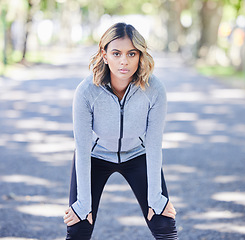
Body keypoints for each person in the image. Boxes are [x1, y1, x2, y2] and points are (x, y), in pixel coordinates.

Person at [63, 22, 178, 240]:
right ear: (104, 55)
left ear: (140, 56)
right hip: (96, 157)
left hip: (137, 155)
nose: (124, 61)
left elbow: (154, 144)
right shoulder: (86, 92)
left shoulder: (154, 90)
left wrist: (156, 198)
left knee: (164, 221)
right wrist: (83, 204)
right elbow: (82, 147)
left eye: (131, 54)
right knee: (79, 225)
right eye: (116, 53)